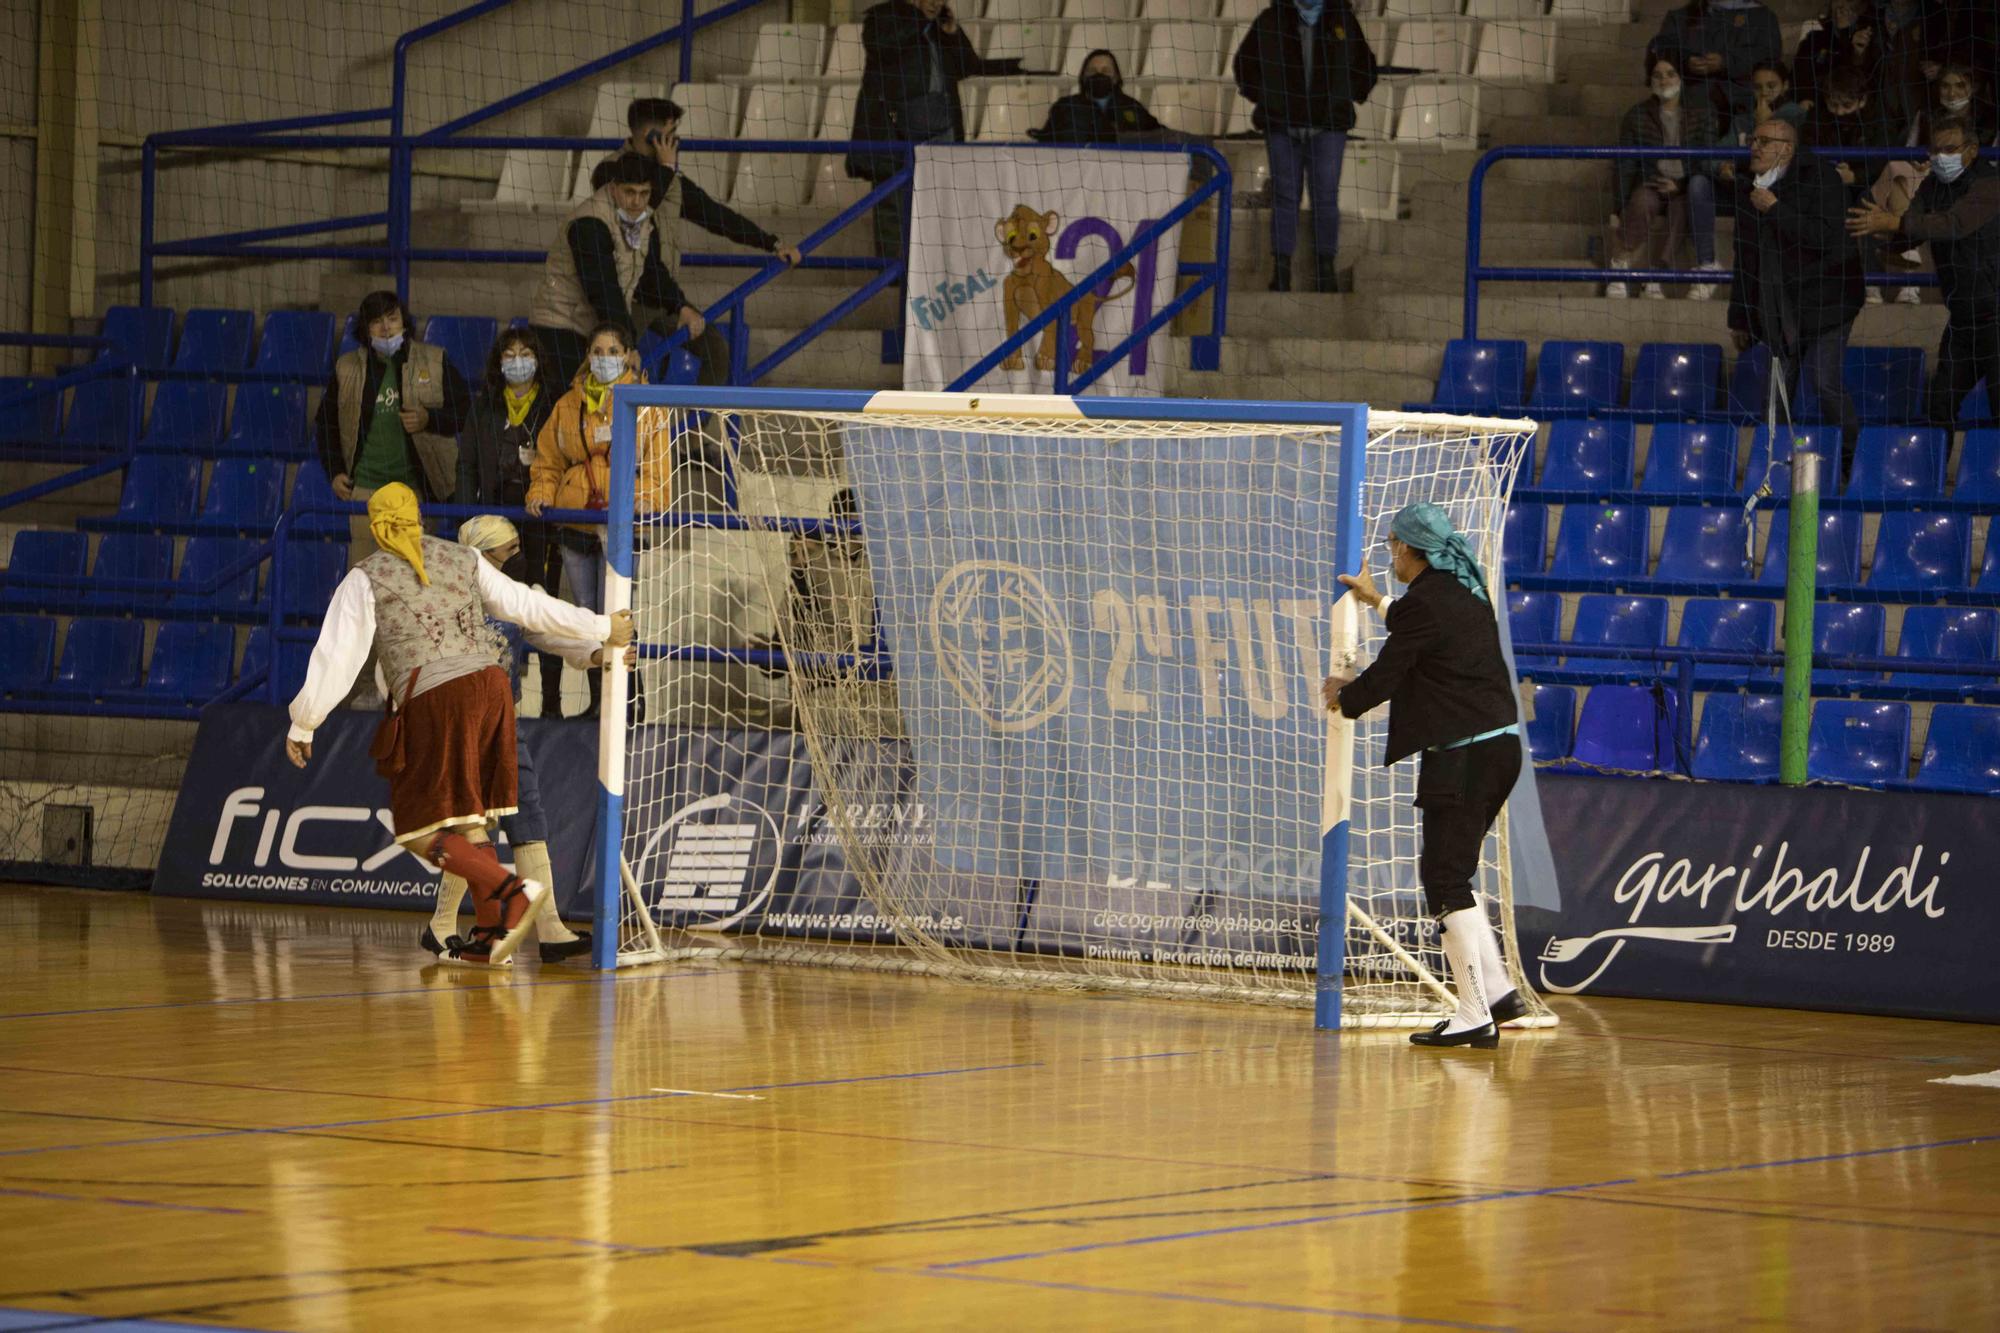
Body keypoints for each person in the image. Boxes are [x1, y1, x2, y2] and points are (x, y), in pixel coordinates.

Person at [284, 484, 632, 967]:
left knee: (416, 829)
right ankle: (491, 935)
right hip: (492, 691)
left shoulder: (366, 578)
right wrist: (600, 626)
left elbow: (337, 658)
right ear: (418, 517)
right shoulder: (464, 559)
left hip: (437, 697)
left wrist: (304, 722)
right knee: (472, 820)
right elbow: (529, 606)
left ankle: (509, 892)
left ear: (376, 524)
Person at [1321, 502, 1527, 1050]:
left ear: (1410, 549)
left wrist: (1346, 696)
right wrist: (1376, 599)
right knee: (1453, 874)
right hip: (1499, 750)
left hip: (1463, 756)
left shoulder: (1427, 603)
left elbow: (1390, 672)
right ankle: (1500, 994)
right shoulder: (1464, 589)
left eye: (1392, 545)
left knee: (1444, 879)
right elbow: (1423, 627)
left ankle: (1475, 1013)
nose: (1390, 555)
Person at [425, 515, 633, 964]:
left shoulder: (519, 598)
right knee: (472, 822)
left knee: (527, 815)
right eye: (510, 550)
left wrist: (596, 653)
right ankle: (441, 924)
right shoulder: (448, 596)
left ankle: (551, 929)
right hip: (461, 721)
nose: (520, 557)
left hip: (505, 719)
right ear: (482, 555)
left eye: (520, 546)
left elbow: (549, 632)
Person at [524, 320, 674, 718]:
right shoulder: (567, 404)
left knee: (618, 613)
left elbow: (659, 467)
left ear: (627, 356)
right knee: (587, 616)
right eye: (597, 351)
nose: (603, 359)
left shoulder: (648, 405)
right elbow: (547, 461)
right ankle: (599, 702)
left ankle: (630, 703)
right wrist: (541, 493)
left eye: (612, 352)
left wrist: (646, 498)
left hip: (620, 527)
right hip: (575, 523)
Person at [1727, 119, 1866, 478]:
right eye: (1753, 139)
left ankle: (1855, 460)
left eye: (1764, 141)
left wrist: (1775, 209)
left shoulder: (1821, 179)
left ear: (1787, 148)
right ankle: (1772, 467)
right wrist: (1740, 317)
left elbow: (1824, 237)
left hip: (1828, 299)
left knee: (1823, 380)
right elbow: (1745, 257)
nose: (1754, 147)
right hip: (1781, 306)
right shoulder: (1749, 189)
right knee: (1776, 392)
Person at [845, 0, 1026, 261]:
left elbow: (968, 66)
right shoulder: (883, 15)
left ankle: (936, 268)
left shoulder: (939, 26)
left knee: (940, 206)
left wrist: (952, 32)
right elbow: (881, 45)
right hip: (894, 131)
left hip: (942, 129)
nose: (935, 2)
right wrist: (920, 20)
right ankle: (893, 276)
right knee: (892, 204)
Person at [1849, 116, 2000, 427]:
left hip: (1996, 314)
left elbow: (1954, 225)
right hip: (1963, 318)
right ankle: (1935, 473)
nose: (1939, 157)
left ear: (1971, 151)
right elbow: (1913, 227)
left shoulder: (1990, 185)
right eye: (1935, 149)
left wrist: (1894, 223)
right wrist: (1885, 236)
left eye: (1949, 149)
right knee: (1940, 403)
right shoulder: (1933, 185)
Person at [529, 152, 725, 391]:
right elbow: (603, 289)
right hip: (559, 328)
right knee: (568, 407)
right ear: (614, 189)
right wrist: (627, 345)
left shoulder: (640, 219)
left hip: (593, 329)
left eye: (644, 194)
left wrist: (680, 306)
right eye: (630, 192)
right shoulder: (589, 223)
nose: (637, 202)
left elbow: (652, 271)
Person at [315, 290, 472, 567]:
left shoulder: (435, 360)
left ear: (404, 322)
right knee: (367, 579)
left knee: (414, 580)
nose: (386, 328)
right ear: (364, 329)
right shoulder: (346, 368)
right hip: (365, 492)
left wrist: (429, 419)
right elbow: (326, 423)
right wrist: (335, 470)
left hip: (417, 490)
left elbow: (465, 412)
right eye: (376, 321)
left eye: (392, 318)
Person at [456, 326, 566, 720]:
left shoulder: (555, 403)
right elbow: (467, 463)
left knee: (542, 607)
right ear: (498, 362)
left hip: (541, 522)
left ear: (537, 360)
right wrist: (470, 520)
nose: (517, 361)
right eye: (509, 354)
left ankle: (552, 704)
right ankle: (500, 700)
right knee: (497, 615)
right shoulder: (485, 405)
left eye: (525, 353)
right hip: (494, 524)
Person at [1232, 0, 1379, 294]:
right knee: (1286, 196)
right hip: (1281, 126)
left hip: (1329, 127)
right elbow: (1244, 65)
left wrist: (1345, 96)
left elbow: (1365, 65)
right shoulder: (1270, 20)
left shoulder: (1343, 19)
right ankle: (1281, 269)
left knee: (1325, 196)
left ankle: (1326, 269)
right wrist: (1267, 98)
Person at [1610, 50, 1725, 300]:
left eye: (1670, 74)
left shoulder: (1702, 111)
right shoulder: (1637, 115)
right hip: (1652, 181)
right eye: (1657, 75)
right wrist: (1619, 207)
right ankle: (1619, 265)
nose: (1664, 81)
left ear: (1681, 77)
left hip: (1685, 184)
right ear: (1650, 80)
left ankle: (1657, 275)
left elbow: (1707, 158)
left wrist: (1680, 184)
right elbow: (1625, 163)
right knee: (1640, 202)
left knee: (1681, 208)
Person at [1652, 0, 1784, 121]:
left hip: (1745, 105)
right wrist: (1686, 61)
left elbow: (1770, 55)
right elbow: (1661, 50)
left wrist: (1726, 62)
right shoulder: (1679, 16)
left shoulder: (1763, 16)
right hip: (1690, 104)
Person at [1031, 50, 1168, 144]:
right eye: (1092, 71)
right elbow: (1046, 141)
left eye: (1106, 71)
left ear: (1115, 78)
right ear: (1083, 76)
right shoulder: (1065, 107)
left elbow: (1156, 134)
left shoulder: (1131, 106)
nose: (1099, 75)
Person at [1793, 0, 1883, 113]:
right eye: (1836, 1)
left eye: (1848, 2)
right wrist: (1805, 98)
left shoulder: (1874, 38)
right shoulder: (1814, 39)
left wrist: (1857, 54)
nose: (1840, 7)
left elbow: (1870, 83)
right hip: (1817, 107)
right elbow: (1799, 75)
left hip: (1854, 112)